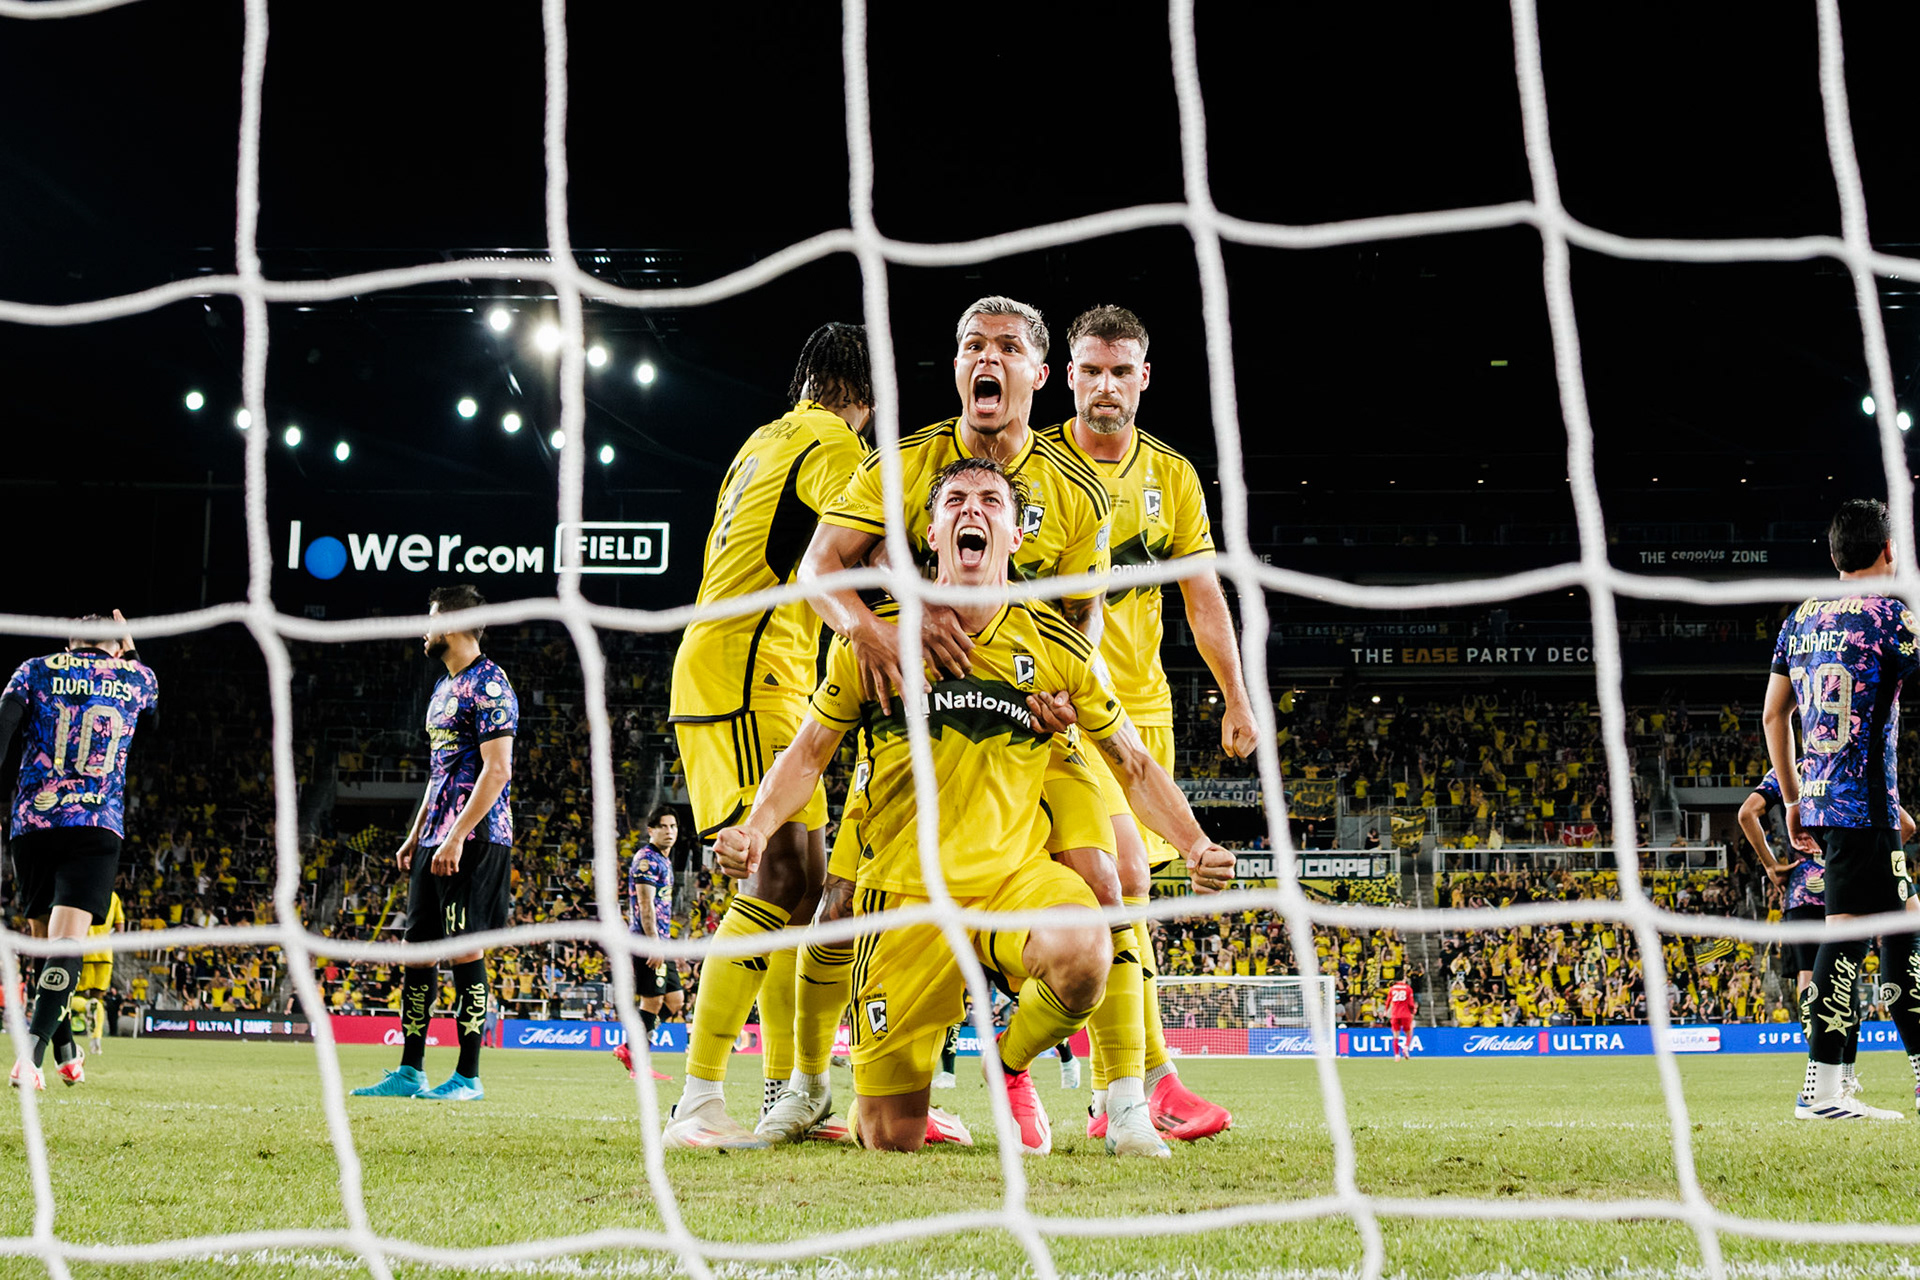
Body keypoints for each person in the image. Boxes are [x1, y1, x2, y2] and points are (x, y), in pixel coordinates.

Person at [716, 456, 1235, 1154]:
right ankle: (829, 1089)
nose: (972, 510)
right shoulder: (876, 640)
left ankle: (1025, 1066)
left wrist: (1196, 842)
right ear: (931, 533)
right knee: (889, 1137)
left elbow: (1134, 764)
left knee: (1091, 936)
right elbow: (807, 754)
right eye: (955, 500)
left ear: (1016, 535)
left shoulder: (1056, 647)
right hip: (906, 897)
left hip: (1010, 884)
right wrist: (754, 827)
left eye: (992, 501)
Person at [789, 296, 1163, 1153]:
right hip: (918, 721)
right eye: (970, 347)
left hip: (1038, 718)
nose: (985, 360)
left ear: (1038, 373)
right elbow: (820, 568)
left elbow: (1085, 620)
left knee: (1116, 879)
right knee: (839, 902)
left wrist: (1065, 702)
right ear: (958, 367)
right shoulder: (904, 463)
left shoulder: (1077, 492)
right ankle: (810, 1084)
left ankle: (1119, 1102)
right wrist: (875, 628)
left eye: (1004, 348)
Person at [1042, 304, 1252, 1140]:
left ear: (1144, 378)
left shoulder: (1173, 476)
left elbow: (1202, 594)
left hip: (1143, 712)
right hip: (1063, 711)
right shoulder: (1034, 463)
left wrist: (1237, 695)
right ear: (1068, 376)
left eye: (1120, 371)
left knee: (1131, 890)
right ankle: (1140, 1082)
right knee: (1117, 880)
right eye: (1091, 371)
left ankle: (1116, 1088)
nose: (1105, 386)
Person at [662, 323, 875, 1148]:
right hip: (748, 672)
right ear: (865, 398)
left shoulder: (764, 439)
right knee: (780, 875)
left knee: (803, 884)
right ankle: (698, 1099)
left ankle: (791, 1094)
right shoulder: (832, 442)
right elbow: (860, 538)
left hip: (749, 665)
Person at [1762, 498, 1920, 1120]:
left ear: (1834, 555)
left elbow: (1774, 715)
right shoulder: (1889, 616)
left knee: (1901, 923)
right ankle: (1822, 1089)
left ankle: (1865, 1080)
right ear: (1888, 550)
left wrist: (1793, 798)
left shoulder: (1800, 618)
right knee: (1852, 933)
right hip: (1866, 805)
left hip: (1827, 802)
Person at [351, 584, 517, 1103]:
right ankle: (410, 1071)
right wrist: (416, 834)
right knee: (418, 953)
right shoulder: (444, 688)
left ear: (452, 624)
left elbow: (497, 770)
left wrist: (457, 835)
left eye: (430, 620)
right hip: (435, 838)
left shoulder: (490, 685)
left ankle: (468, 1077)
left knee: (463, 948)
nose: (424, 630)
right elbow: (438, 772)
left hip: (476, 836)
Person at [1, 611, 155, 1090]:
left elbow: (4, 726)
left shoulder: (34, 669)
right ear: (115, 645)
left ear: (69, 643)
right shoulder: (137, 677)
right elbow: (152, 723)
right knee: (66, 946)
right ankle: (31, 1056)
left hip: (33, 822)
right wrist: (130, 650)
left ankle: (66, 1052)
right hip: (94, 822)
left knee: (45, 947)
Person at [613, 806, 677, 1082]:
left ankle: (630, 1047)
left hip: (662, 940)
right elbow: (645, 904)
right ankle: (638, 1064)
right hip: (646, 940)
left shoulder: (664, 860)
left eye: (673, 826)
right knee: (652, 1001)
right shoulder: (647, 860)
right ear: (651, 830)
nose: (669, 832)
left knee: (675, 1000)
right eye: (663, 826)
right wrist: (654, 944)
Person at [78, 889, 123, 1055]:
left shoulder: (84, 889)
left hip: (85, 951)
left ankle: (73, 1030)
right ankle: (96, 1040)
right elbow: (120, 926)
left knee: (76, 995)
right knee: (98, 999)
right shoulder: (114, 896)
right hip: (105, 953)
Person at [1386, 976, 1416, 1060]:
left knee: (1396, 1035)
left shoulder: (1392, 988)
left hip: (1395, 1014)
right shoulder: (1408, 988)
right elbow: (1411, 1003)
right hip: (1405, 1014)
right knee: (1409, 1032)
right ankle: (1406, 1048)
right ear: (1404, 979)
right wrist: (1413, 1010)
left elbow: (1388, 1001)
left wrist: (1386, 1010)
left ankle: (1396, 1055)